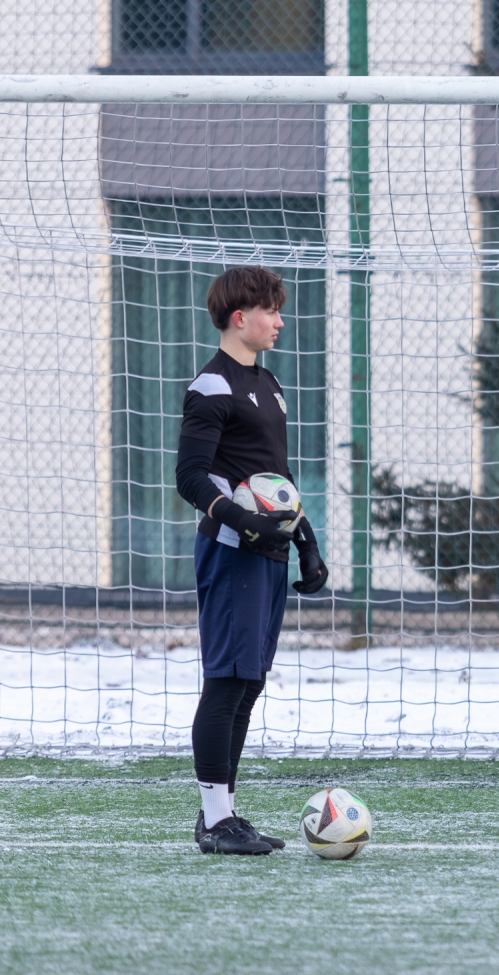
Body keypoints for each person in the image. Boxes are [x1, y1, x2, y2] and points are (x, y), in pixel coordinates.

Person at [174, 265, 329, 855]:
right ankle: (215, 822)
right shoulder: (211, 386)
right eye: (271, 311)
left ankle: (225, 815)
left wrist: (305, 542)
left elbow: (277, 479)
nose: (280, 321)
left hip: (269, 555)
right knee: (226, 681)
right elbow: (190, 477)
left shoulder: (269, 384)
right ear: (240, 318)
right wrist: (241, 521)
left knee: (249, 683)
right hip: (232, 553)